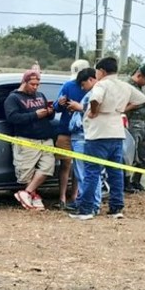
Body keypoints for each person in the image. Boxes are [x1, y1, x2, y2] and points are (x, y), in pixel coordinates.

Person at [71, 57, 145, 220]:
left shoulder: (101, 84)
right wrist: (122, 109)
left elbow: (95, 99)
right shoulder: (123, 85)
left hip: (98, 133)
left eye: (97, 71)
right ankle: (116, 208)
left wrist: (93, 111)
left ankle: (86, 209)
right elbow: (142, 99)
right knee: (115, 172)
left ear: (102, 71)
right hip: (117, 131)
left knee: (92, 172)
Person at [5, 70, 56, 211]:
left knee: (48, 167)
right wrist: (34, 115)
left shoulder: (40, 96)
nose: (35, 87)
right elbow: (12, 118)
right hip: (26, 139)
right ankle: (33, 195)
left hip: (45, 138)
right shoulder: (13, 98)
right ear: (24, 82)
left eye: (38, 84)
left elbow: (48, 117)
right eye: (32, 84)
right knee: (25, 174)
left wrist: (50, 112)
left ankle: (26, 193)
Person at [53, 67, 93, 211]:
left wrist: (80, 107)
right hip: (66, 130)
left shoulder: (96, 90)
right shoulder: (68, 86)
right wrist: (60, 103)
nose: (82, 87)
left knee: (79, 166)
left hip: (85, 132)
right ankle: (62, 197)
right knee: (65, 165)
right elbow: (55, 107)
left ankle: (75, 196)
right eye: (80, 84)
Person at [66, 68, 100, 214]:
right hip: (81, 137)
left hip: (84, 138)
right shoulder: (90, 93)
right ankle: (83, 202)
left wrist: (78, 107)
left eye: (83, 84)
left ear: (91, 80)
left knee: (86, 174)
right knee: (84, 174)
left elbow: (95, 112)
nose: (82, 87)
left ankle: (92, 205)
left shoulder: (95, 94)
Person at [124, 64, 145, 193]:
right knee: (130, 155)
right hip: (131, 122)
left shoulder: (143, 87)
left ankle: (136, 180)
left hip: (143, 123)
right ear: (139, 75)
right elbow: (123, 106)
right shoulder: (126, 86)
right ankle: (126, 182)